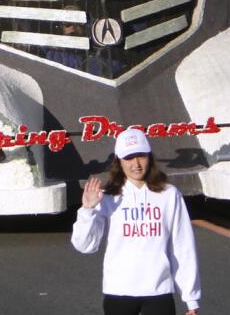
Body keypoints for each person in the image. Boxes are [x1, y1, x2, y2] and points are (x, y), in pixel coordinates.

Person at [71, 128, 200, 315]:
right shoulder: (108, 197)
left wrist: (191, 298)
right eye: (129, 158)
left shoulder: (169, 194)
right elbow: (84, 246)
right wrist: (87, 210)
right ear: (119, 161)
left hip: (159, 292)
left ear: (150, 157)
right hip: (119, 292)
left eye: (141, 156)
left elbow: (183, 246)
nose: (136, 164)